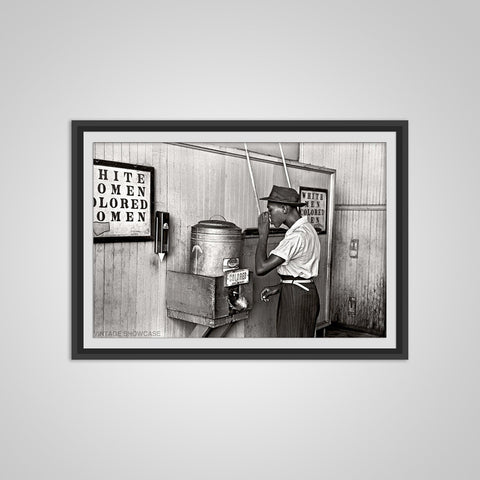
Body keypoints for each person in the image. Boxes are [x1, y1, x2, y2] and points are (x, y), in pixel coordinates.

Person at [255, 185, 321, 337]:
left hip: (296, 298)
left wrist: (263, 235)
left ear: (284, 208)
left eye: (270, 210)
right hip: (304, 292)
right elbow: (301, 270)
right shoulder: (308, 229)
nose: (269, 216)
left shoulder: (296, 236)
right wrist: (280, 287)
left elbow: (261, 268)